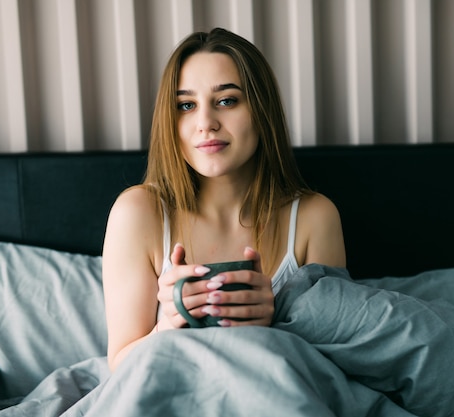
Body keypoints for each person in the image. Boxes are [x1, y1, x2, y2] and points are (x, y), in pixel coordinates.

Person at [101, 27, 345, 371]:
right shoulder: (138, 214)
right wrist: (168, 326)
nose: (205, 123)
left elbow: (335, 365)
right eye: (186, 105)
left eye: (227, 100)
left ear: (261, 109)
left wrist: (272, 324)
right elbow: (119, 366)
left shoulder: (313, 217)